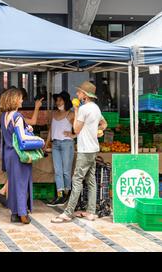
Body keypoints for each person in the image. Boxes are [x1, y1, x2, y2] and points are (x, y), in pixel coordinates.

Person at [51, 81, 107, 223]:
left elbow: (75, 129)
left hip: (85, 150)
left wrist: (76, 110)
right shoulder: (96, 108)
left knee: (77, 180)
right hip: (93, 149)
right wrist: (98, 131)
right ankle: (91, 213)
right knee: (91, 180)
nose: (77, 94)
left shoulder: (83, 109)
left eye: (79, 92)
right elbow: (104, 124)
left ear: (85, 95)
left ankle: (68, 213)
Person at [0, 88, 45, 224]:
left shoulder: (3, 116)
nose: (22, 100)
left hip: (9, 155)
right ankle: (23, 214)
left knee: (13, 184)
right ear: (14, 100)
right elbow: (22, 138)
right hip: (19, 155)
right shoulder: (17, 116)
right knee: (22, 184)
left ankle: (14, 213)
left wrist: (26, 128)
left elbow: (12, 134)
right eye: (20, 98)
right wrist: (39, 141)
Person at [46, 91, 75, 206]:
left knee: (66, 171)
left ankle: (67, 193)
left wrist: (73, 135)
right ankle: (60, 195)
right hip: (56, 144)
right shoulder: (54, 113)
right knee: (58, 171)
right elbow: (50, 130)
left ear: (66, 101)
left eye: (60, 100)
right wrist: (46, 143)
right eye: (57, 100)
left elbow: (79, 128)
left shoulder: (70, 114)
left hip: (67, 144)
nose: (57, 102)